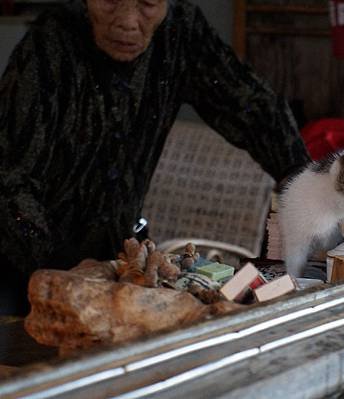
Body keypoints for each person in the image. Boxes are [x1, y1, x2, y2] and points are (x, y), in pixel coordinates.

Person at [0, 0, 310, 315]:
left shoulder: (179, 30)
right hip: (24, 262)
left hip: (116, 258)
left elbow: (252, 106)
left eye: (147, 4)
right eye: (109, 2)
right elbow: (8, 180)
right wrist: (60, 264)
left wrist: (304, 182)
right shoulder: (52, 40)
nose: (128, 22)